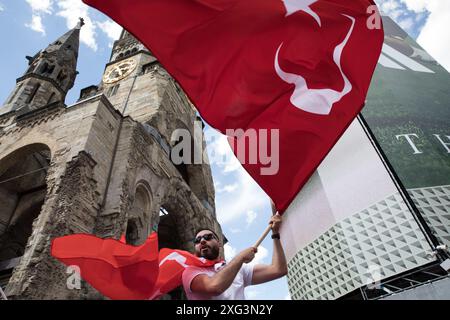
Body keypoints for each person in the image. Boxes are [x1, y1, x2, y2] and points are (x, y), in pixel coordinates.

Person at [182, 212, 287, 300]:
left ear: (219, 243)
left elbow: (278, 269)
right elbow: (214, 287)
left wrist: (275, 234)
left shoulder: (237, 269)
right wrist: (240, 258)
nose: (203, 240)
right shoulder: (190, 271)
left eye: (208, 237)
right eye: (197, 240)